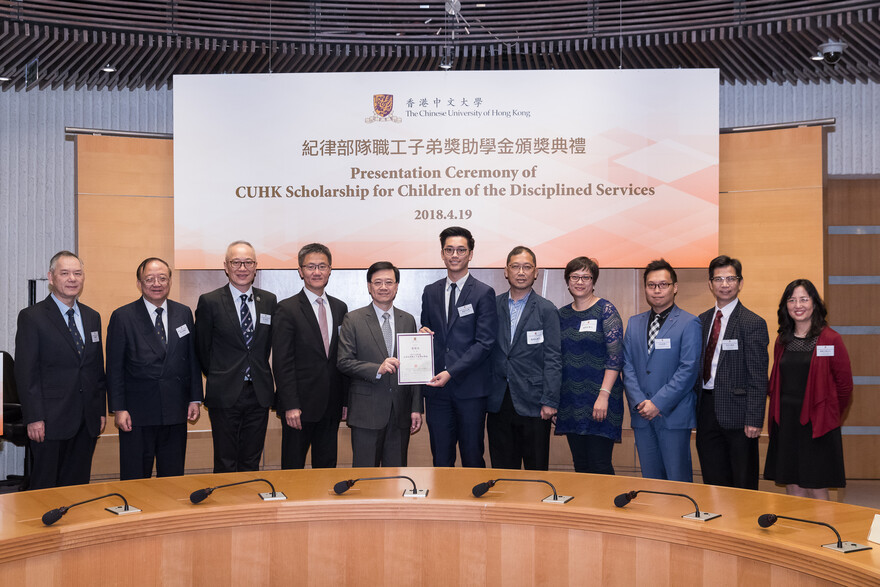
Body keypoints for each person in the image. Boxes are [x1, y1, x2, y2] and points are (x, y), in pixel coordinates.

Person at [13, 251, 106, 489]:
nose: (72, 278)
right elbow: (26, 373)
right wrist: (34, 417)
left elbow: (96, 368)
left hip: (86, 420)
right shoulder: (32, 317)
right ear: (51, 278)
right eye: (64, 273)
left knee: (77, 486)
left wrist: (100, 410)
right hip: (49, 421)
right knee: (45, 488)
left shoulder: (92, 317)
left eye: (77, 273)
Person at [106, 257, 202, 480]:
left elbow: (192, 359)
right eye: (149, 279)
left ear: (169, 281)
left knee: (173, 475)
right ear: (139, 283)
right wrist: (119, 409)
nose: (156, 283)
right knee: (135, 477)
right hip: (137, 412)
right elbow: (114, 367)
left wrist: (195, 398)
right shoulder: (123, 316)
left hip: (175, 409)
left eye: (162, 278)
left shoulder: (183, 312)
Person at [764, 279, 852, 500]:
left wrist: (828, 414)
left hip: (818, 423)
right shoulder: (782, 340)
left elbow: (844, 387)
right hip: (786, 421)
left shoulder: (831, 339)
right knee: (792, 485)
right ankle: (798, 533)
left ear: (814, 303)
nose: (797, 305)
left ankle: (825, 535)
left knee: (817, 484)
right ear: (786, 306)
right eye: (792, 300)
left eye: (804, 299)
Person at [195, 240, 277, 473]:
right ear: (226, 266)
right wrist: (222, 374)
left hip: (259, 392)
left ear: (256, 266)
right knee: (225, 459)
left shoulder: (268, 300)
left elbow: (267, 344)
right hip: (225, 392)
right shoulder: (210, 301)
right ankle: (228, 507)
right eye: (236, 262)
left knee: (251, 458)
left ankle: (248, 506)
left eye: (248, 262)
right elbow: (202, 348)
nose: (242, 268)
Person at [419, 226, 497, 468]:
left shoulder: (484, 293)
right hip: (437, 392)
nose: (454, 255)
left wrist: (451, 372)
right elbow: (429, 331)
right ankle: (444, 505)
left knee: (472, 455)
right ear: (442, 254)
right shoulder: (430, 292)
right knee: (441, 457)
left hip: (471, 390)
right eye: (449, 250)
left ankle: (474, 506)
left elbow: (485, 343)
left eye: (461, 250)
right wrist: (422, 335)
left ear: (470, 254)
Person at [337, 262, 423, 467]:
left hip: (400, 413)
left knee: (397, 477)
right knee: (365, 477)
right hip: (366, 412)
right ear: (369, 286)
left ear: (396, 286)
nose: (383, 287)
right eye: (377, 282)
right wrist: (377, 368)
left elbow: (415, 368)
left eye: (388, 282)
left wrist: (416, 407)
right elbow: (343, 361)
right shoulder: (353, 319)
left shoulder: (408, 319)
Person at [622, 259, 701, 482]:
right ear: (645, 288)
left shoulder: (689, 323)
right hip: (642, 415)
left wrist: (657, 403)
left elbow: (688, 370)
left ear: (675, 287)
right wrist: (640, 402)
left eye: (663, 285)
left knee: (678, 481)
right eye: (651, 285)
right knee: (650, 481)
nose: (657, 290)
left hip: (673, 415)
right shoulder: (634, 323)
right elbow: (627, 366)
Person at [695, 255, 769, 490]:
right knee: (712, 477)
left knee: (742, 480)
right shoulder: (702, 320)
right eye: (718, 279)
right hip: (706, 408)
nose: (724, 284)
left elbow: (758, 377)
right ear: (710, 284)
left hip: (739, 415)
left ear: (740, 283)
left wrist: (754, 419)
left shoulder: (752, 322)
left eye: (730, 278)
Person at [272, 243, 348, 469]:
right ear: (300, 271)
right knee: (293, 467)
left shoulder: (340, 308)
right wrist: (290, 405)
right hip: (299, 407)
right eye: (311, 266)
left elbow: (341, 358)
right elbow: (282, 362)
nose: (317, 272)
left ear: (330, 270)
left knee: (326, 467)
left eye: (322, 266)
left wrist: (344, 400)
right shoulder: (287, 309)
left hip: (331, 405)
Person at [487, 246, 560, 470]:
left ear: (535, 272)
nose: (521, 272)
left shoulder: (546, 309)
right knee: (502, 470)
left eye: (527, 267)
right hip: (499, 401)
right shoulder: (492, 306)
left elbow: (553, 357)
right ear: (506, 271)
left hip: (535, 403)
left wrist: (550, 400)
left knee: (536, 471)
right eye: (515, 267)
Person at [554, 256, 624, 475]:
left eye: (586, 277)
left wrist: (603, 395)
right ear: (567, 281)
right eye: (575, 276)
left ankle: (604, 509)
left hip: (601, 400)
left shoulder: (606, 310)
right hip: (571, 400)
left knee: (599, 464)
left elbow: (615, 357)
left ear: (594, 281)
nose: (580, 281)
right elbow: (555, 358)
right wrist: (555, 400)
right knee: (581, 465)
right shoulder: (561, 314)